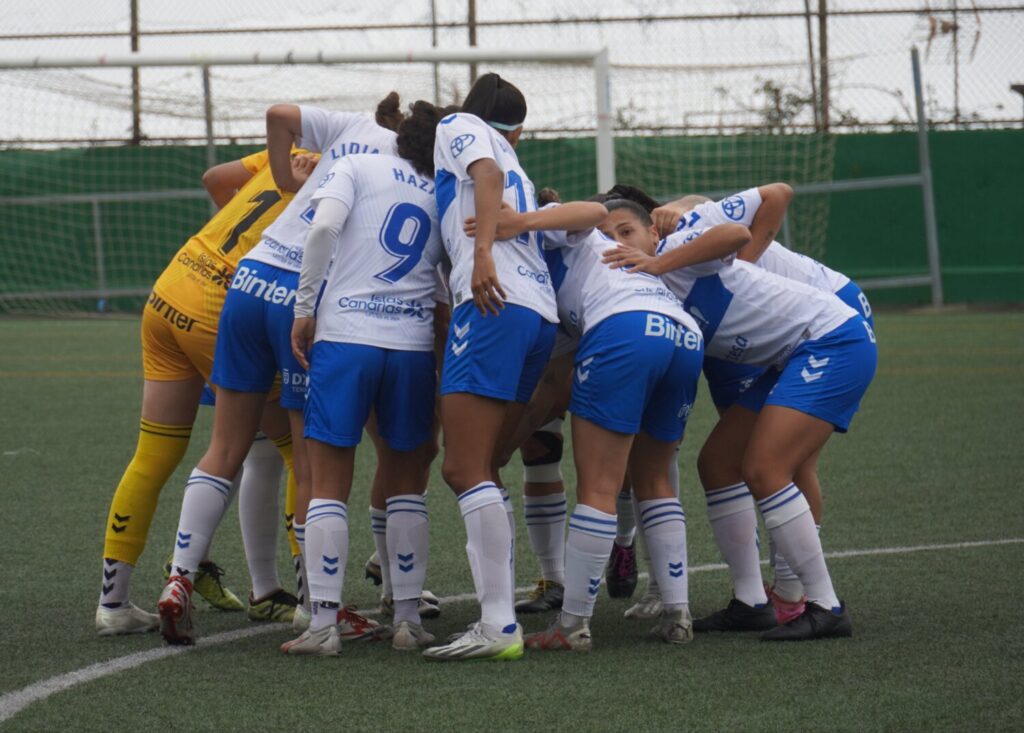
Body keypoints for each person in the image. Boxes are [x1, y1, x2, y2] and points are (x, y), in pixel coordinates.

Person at [156, 94, 402, 646]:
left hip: (250, 277)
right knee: (309, 462)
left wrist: (287, 182)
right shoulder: (416, 169)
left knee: (226, 447)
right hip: (300, 294)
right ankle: (318, 607)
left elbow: (278, 113)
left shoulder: (350, 125)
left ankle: (178, 578)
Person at [602, 199, 877, 640]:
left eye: (626, 232)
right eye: (607, 237)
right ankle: (752, 602)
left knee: (766, 468)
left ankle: (825, 605)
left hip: (833, 341)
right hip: (789, 357)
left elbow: (736, 234)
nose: (618, 244)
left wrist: (660, 262)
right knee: (717, 464)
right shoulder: (625, 286)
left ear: (653, 233)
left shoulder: (677, 245)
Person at [468, 197, 711, 651]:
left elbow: (591, 213)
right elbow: (555, 382)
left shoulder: (546, 231)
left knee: (598, 486)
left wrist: (521, 219)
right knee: (654, 479)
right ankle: (678, 614)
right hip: (680, 333)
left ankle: (573, 624)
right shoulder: (544, 272)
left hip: (623, 326)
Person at [94, 148, 316, 636]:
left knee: (153, 455)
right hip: (226, 306)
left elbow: (215, 178)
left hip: (174, 284)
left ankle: (113, 604)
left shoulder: (294, 151)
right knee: (299, 449)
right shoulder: (348, 169)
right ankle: (311, 600)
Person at [280, 100, 450, 655]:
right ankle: (407, 620)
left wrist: (305, 307)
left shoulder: (355, 164)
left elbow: (323, 226)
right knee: (405, 482)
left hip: (347, 336)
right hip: (410, 345)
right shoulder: (440, 190)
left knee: (328, 481)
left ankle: (324, 624)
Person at [419, 73, 560, 662]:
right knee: (488, 465)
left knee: (462, 467)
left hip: (494, 303)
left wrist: (479, 257)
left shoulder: (459, 128)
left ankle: (499, 624)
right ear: (520, 130)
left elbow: (487, 174)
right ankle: (496, 611)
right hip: (539, 314)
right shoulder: (518, 163)